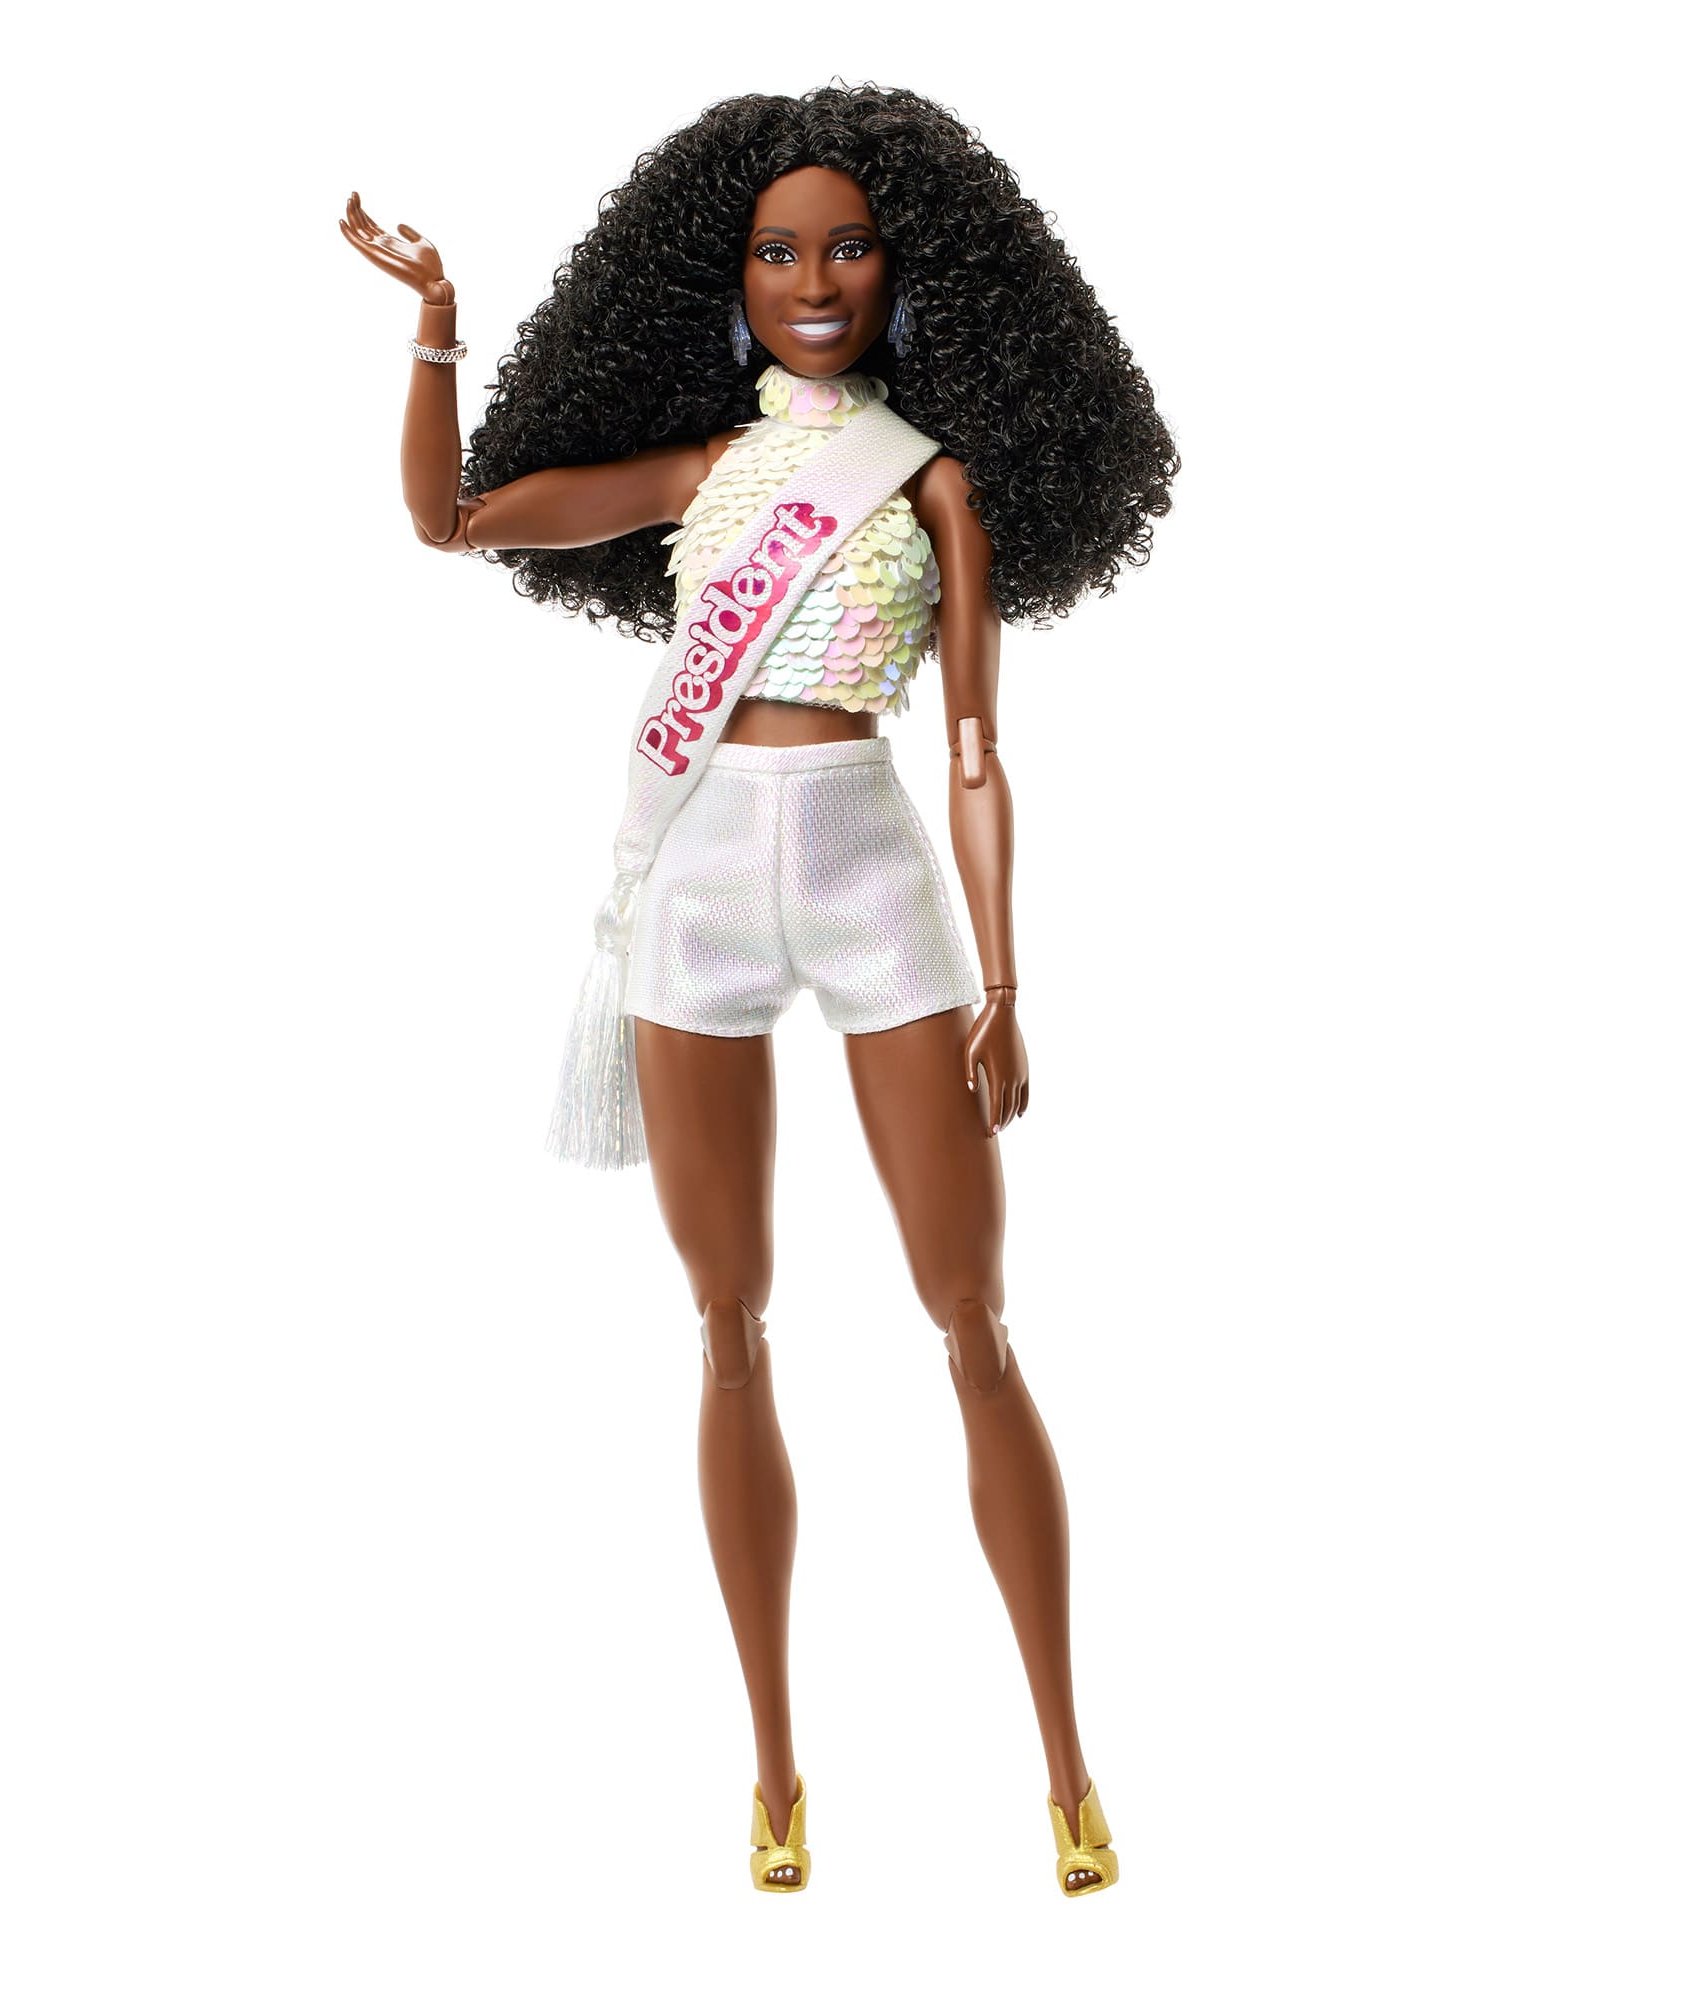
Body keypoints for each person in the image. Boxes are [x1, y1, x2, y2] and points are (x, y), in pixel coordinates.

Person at [339, 80, 1177, 1896]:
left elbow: (974, 751)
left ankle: (1066, 1762)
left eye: (849, 247)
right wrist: (437, 326)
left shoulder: (933, 482)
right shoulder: (704, 471)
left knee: (973, 1315)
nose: (814, 279)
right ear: (719, 281)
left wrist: (1005, 972)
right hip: (699, 887)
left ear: (911, 271)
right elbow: (453, 522)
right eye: (779, 251)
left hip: (877, 878)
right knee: (726, 1326)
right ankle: (777, 1772)